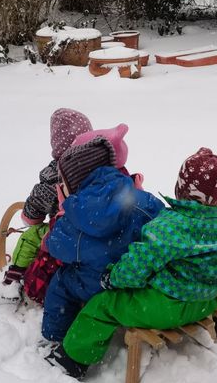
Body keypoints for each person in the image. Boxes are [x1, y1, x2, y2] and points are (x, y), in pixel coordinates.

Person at [47, 147, 217, 379]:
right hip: (204, 302)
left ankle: (72, 359)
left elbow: (137, 266)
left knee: (101, 307)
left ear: (180, 188)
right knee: (208, 279)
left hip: (164, 307)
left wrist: (113, 277)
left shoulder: (168, 226)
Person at [40, 136, 164, 343]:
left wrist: (51, 236)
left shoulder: (74, 218)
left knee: (62, 281)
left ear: (73, 182)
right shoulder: (143, 200)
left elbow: (55, 247)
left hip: (96, 284)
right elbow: (163, 224)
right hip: (139, 278)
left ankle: (54, 336)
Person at [0, 107, 92, 303]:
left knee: (31, 237)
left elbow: (30, 218)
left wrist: (33, 212)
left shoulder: (53, 178)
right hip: (97, 230)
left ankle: (11, 282)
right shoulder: (100, 164)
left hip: (67, 233)